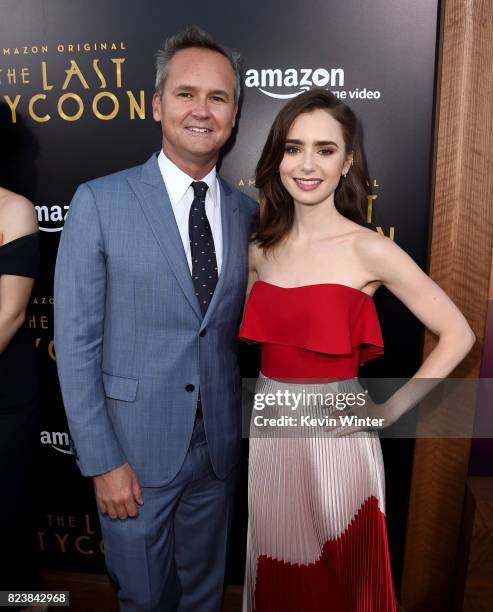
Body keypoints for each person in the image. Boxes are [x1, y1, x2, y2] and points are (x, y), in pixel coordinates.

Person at [239, 89, 475, 612]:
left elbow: (458, 333)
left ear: (347, 162)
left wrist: (389, 408)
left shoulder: (370, 248)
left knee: (346, 575)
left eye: (325, 150)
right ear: (277, 156)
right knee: (278, 568)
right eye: (294, 147)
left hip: (339, 437)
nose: (307, 164)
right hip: (272, 429)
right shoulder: (260, 247)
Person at [54, 26, 257, 612]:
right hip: (132, 456)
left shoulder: (249, 213)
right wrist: (103, 462)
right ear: (156, 104)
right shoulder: (100, 201)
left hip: (217, 453)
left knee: (202, 598)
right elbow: (74, 344)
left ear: (235, 113)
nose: (202, 109)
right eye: (185, 93)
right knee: (143, 600)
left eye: (217, 98)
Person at [0, 188, 41, 602]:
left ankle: (30, 604)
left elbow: (8, 313)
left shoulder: (13, 209)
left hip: (5, 397)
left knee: (8, 520)